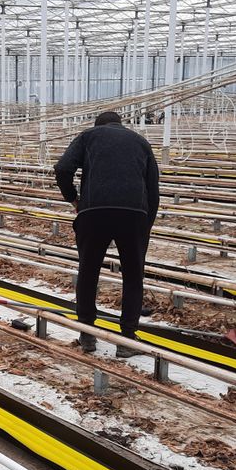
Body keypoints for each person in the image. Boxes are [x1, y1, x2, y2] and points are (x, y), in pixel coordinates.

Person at [53, 110, 160, 358]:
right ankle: (126, 339)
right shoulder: (141, 142)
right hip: (134, 214)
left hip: (94, 212)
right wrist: (146, 226)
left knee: (88, 272)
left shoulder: (88, 136)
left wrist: (74, 200)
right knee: (133, 276)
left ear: (97, 124)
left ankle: (87, 333)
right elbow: (153, 189)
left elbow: (62, 169)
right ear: (121, 124)